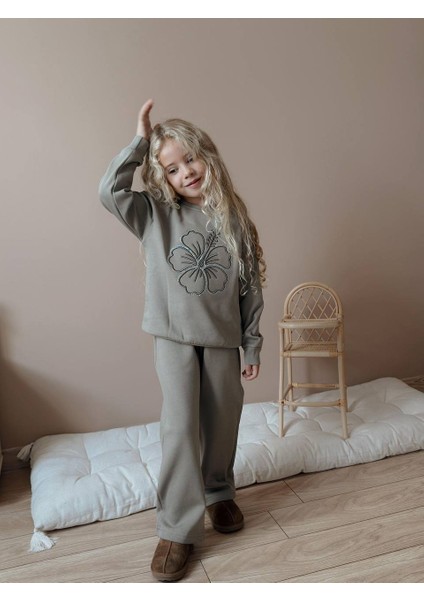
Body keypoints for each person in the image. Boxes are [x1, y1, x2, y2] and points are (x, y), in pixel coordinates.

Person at [99, 99, 266, 582]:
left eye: (190, 159)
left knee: (223, 420)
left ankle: (219, 491)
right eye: (172, 169)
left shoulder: (235, 220)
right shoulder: (154, 215)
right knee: (179, 428)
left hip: (223, 340)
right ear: (163, 178)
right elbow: (110, 191)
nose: (186, 172)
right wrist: (140, 143)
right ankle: (176, 527)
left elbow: (250, 286)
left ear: (207, 156)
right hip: (173, 339)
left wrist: (251, 343)